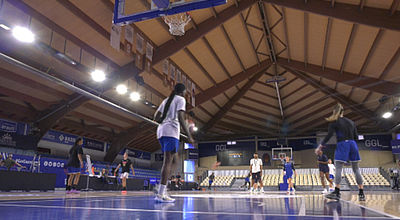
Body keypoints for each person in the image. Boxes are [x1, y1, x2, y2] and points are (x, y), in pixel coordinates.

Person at [153, 83, 194, 203]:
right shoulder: (181, 99)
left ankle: (162, 188)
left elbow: (156, 116)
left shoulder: (166, 100)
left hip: (161, 131)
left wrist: (164, 120)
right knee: (168, 162)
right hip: (171, 131)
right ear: (183, 92)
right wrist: (189, 135)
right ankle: (160, 193)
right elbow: (181, 117)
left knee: (174, 160)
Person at [316, 103, 365, 201]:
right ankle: (361, 193)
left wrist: (320, 146)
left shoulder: (334, 122)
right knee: (356, 169)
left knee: (338, 168)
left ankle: (337, 192)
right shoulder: (351, 122)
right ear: (343, 112)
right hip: (353, 144)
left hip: (343, 144)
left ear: (334, 112)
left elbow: (329, 135)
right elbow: (356, 137)